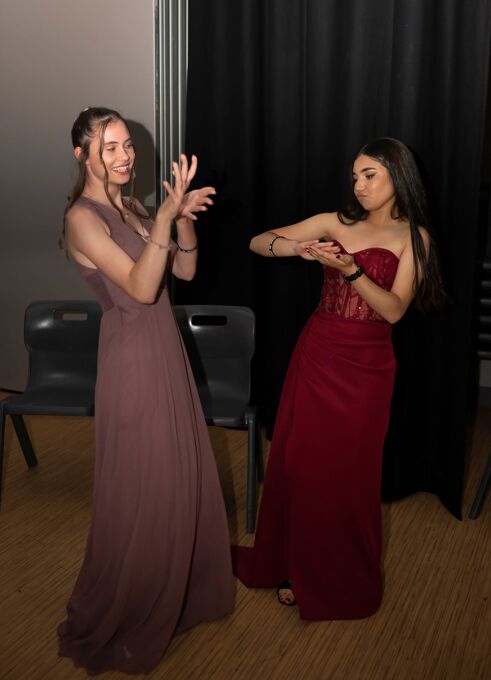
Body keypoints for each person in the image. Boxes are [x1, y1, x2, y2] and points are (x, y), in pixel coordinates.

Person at [232, 137, 445, 619]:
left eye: (370, 175)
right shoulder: (336, 222)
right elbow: (257, 241)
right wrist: (297, 249)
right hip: (319, 352)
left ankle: (335, 576)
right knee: (300, 464)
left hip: (368, 367)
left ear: (398, 176)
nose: (359, 185)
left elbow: (394, 310)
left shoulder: (416, 237)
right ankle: (292, 565)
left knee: (347, 473)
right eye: (355, 177)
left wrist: (351, 272)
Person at [57, 107, 234, 674]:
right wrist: (164, 217)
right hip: (132, 358)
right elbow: (138, 288)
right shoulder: (81, 218)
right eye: (109, 147)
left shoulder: (132, 207)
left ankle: (178, 590)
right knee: (142, 486)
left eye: (127, 144)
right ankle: (130, 603)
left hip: (164, 348)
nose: (125, 156)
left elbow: (183, 273)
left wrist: (181, 220)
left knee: (173, 475)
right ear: (82, 155)